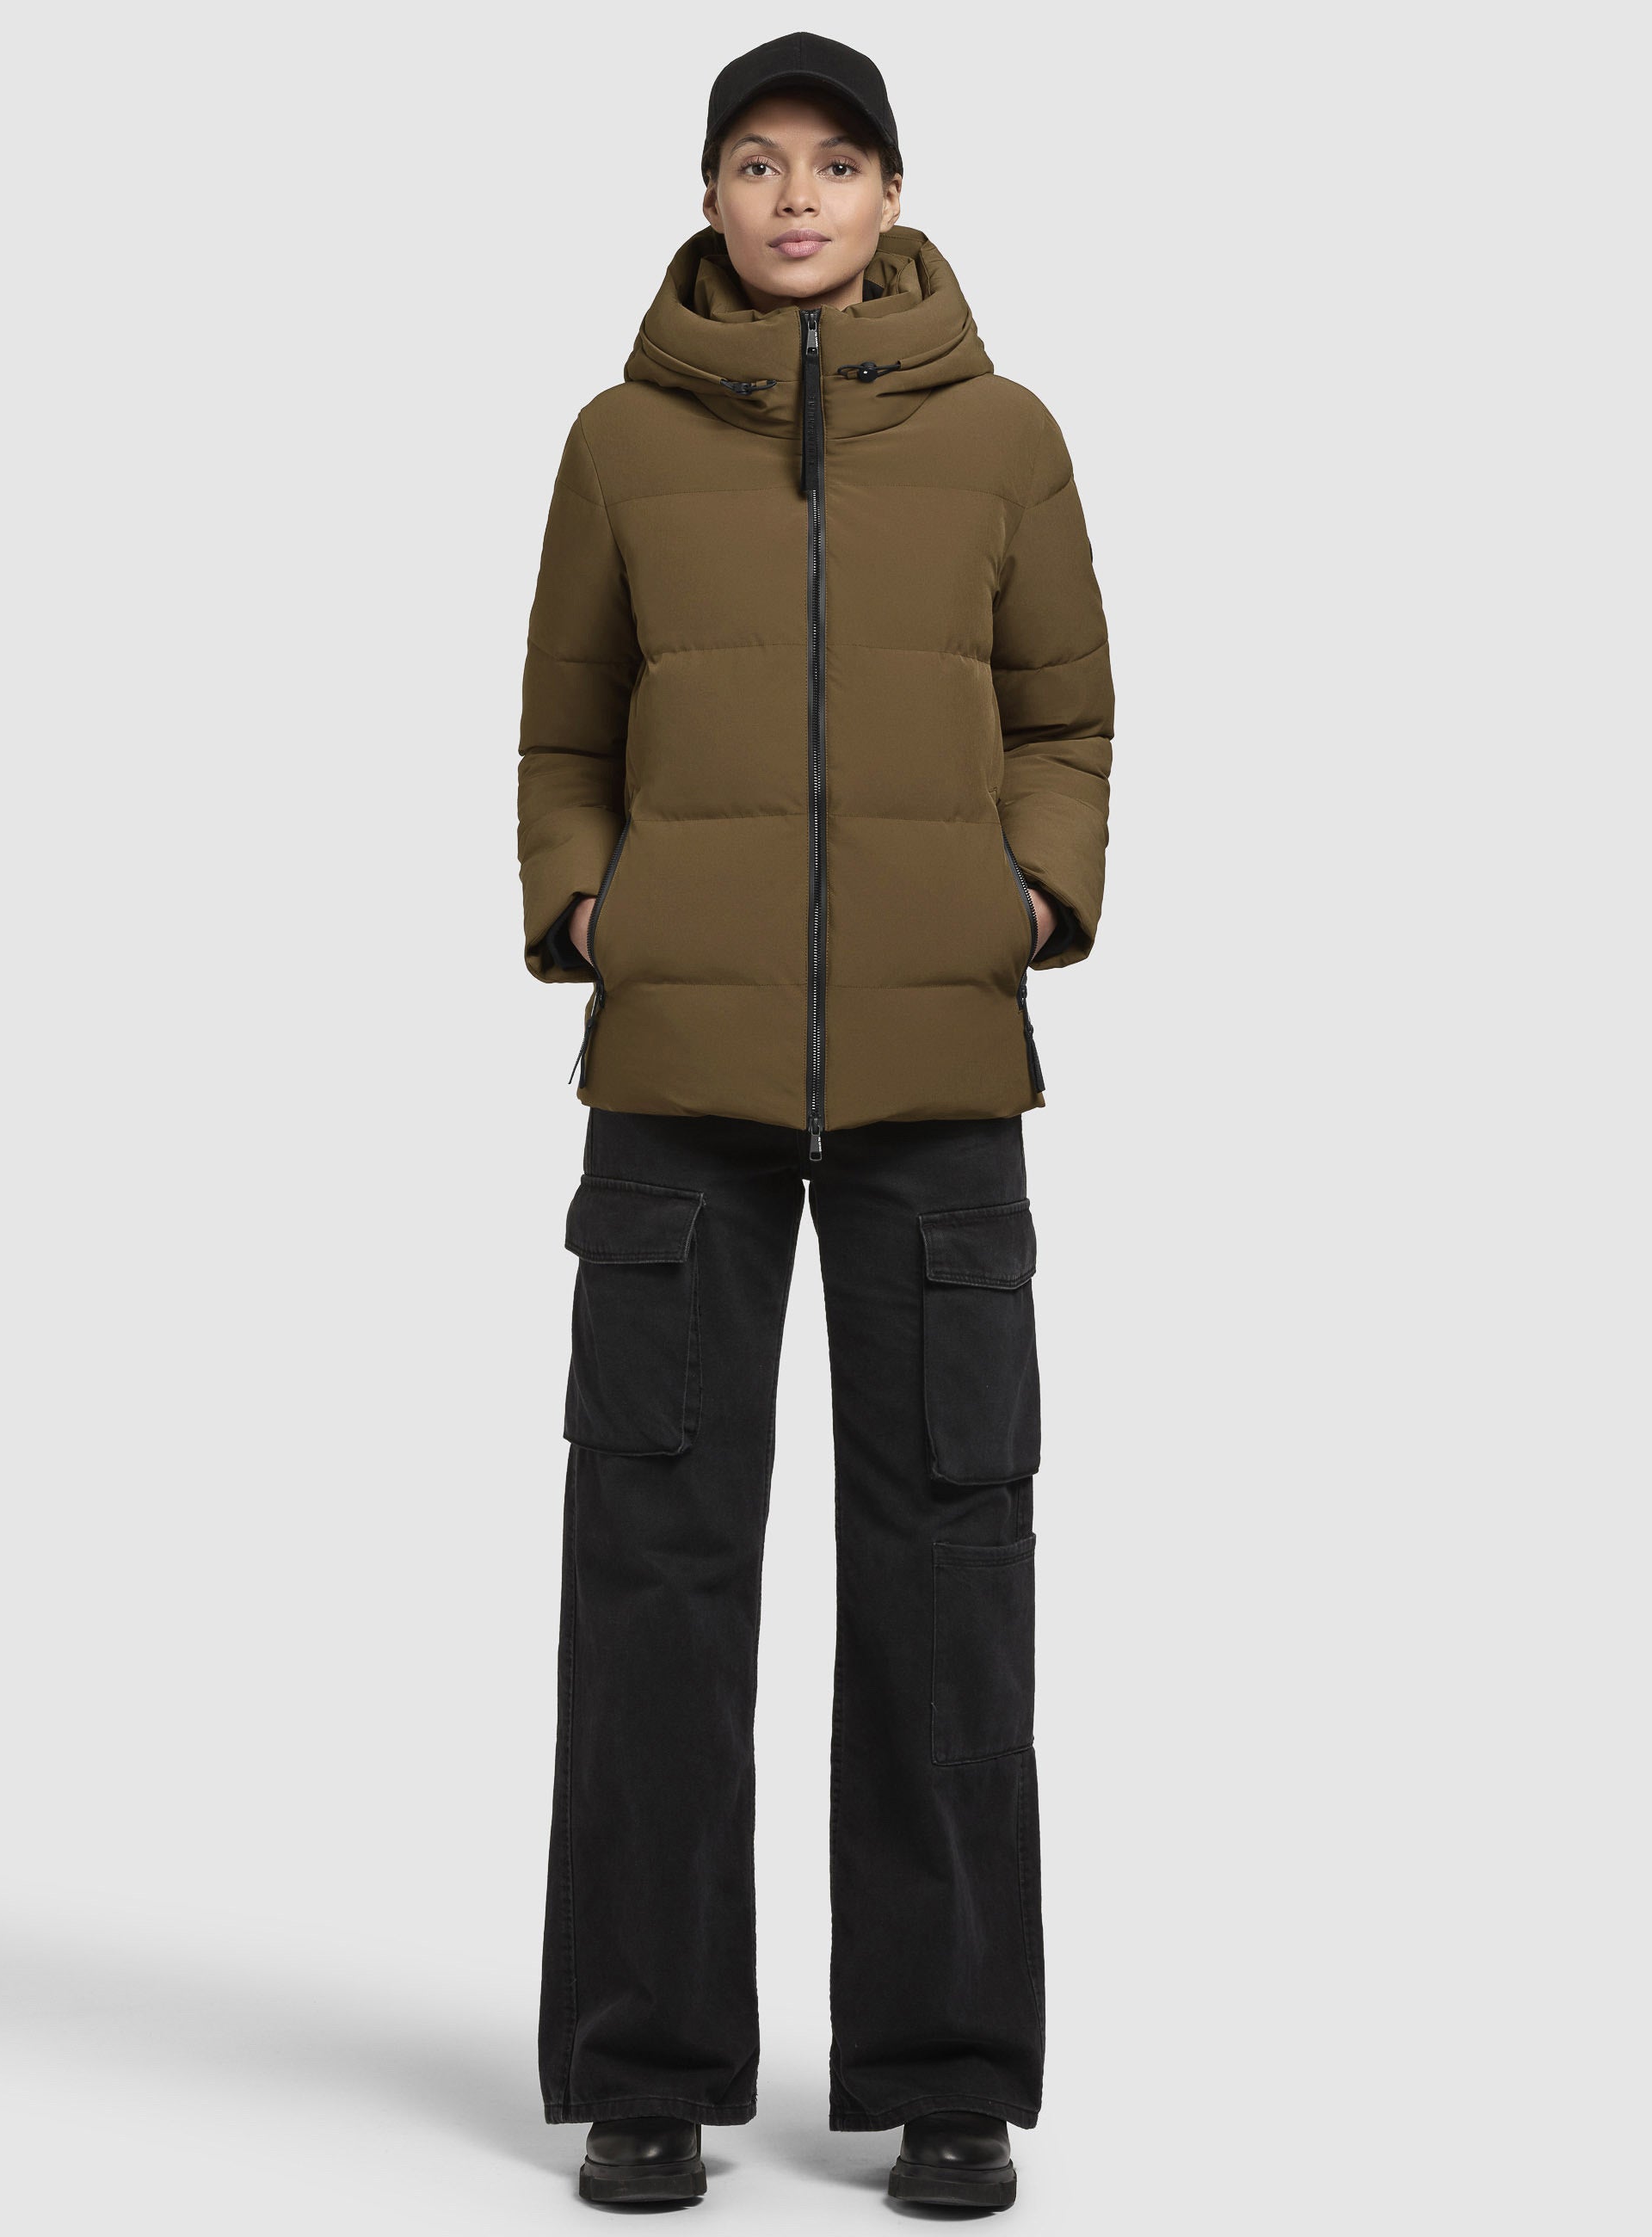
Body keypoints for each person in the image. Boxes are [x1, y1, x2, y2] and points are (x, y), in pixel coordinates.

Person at [515, 31, 1114, 2211]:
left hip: (938, 1076)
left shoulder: (1007, 436)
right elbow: (564, 723)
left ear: (890, 196)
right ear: (706, 193)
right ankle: (643, 2066)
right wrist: (593, 905)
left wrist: (1029, 893)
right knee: (654, 1572)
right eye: (755, 163)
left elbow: (1067, 712)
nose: (794, 199)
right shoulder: (616, 442)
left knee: (950, 1565)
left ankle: (950, 2072)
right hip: (675, 1080)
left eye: (834, 164)